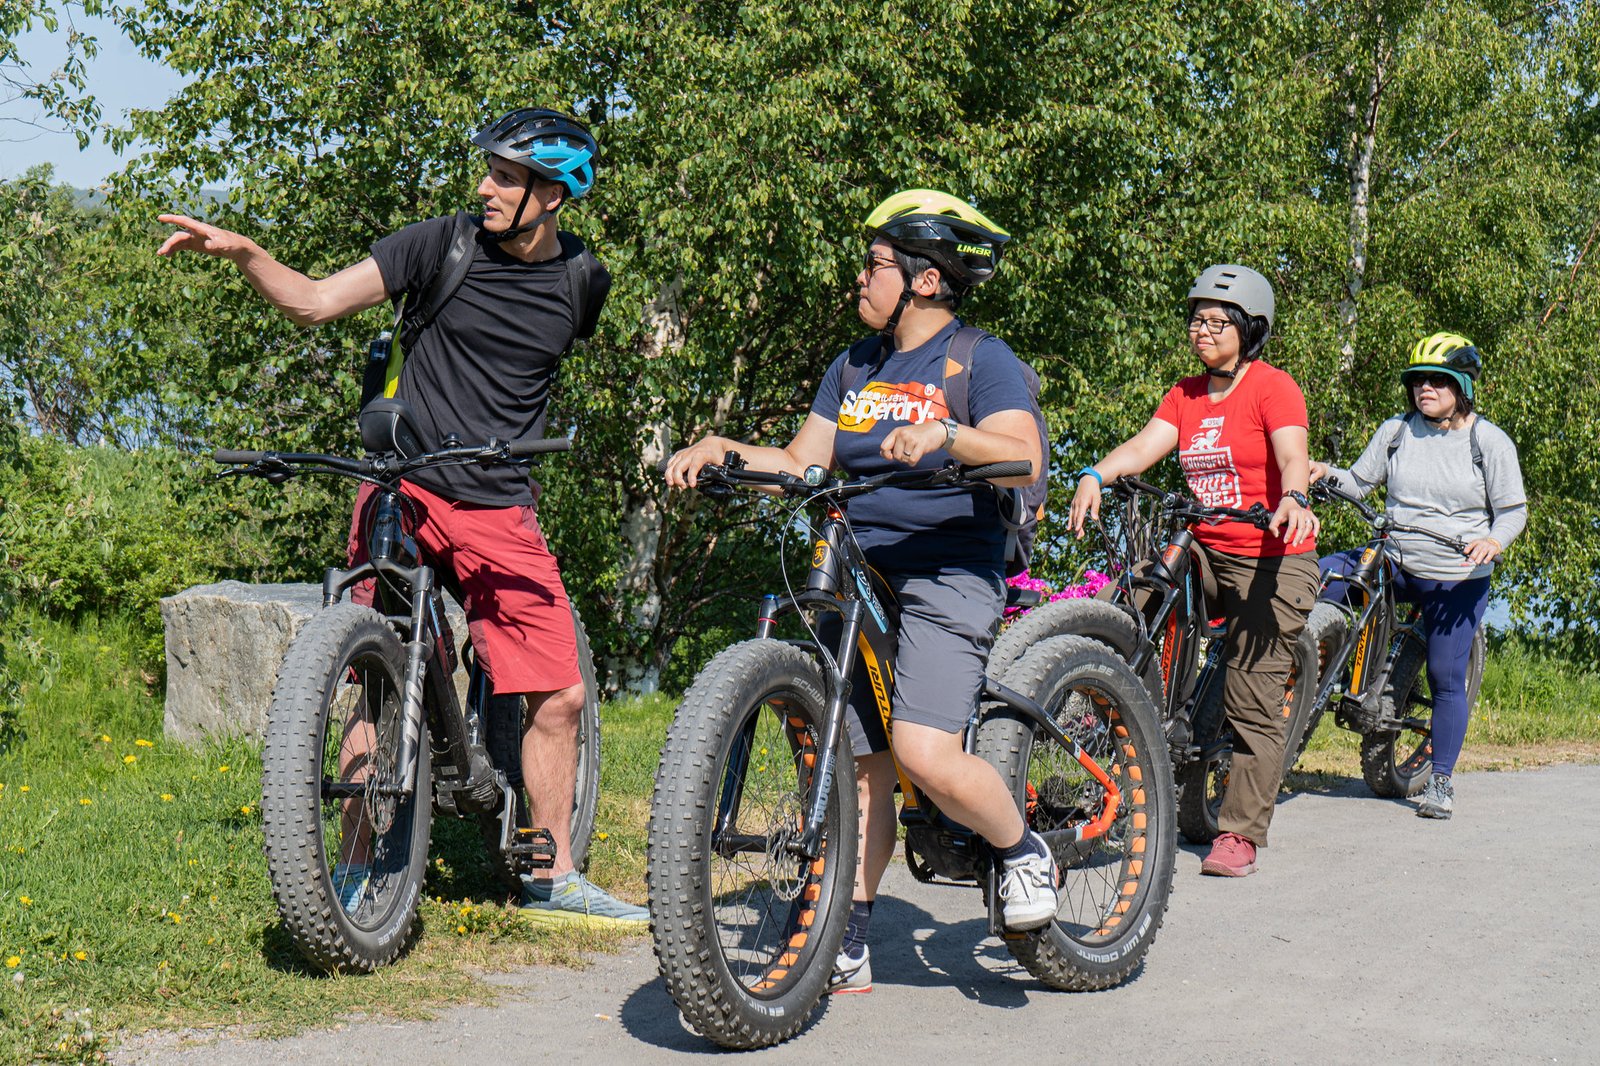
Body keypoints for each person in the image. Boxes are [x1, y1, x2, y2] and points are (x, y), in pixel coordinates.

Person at [156, 108, 646, 926]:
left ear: (554, 195)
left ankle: (554, 877)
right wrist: (246, 254)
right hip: (404, 485)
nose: (484, 188)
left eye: (505, 177)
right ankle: (348, 880)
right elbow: (314, 302)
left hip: (498, 503)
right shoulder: (440, 243)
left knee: (557, 695)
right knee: (370, 678)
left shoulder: (582, 282)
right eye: (486, 171)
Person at [664, 189, 1053, 994]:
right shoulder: (854, 364)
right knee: (861, 758)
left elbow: (1024, 459)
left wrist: (948, 435)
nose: (861, 280)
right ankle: (848, 934)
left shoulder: (980, 359)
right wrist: (724, 449)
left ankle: (1021, 849)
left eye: (877, 265)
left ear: (928, 280)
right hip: (859, 569)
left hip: (948, 568)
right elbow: (806, 464)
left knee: (921, 752)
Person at [1068, 264, 1319, 878]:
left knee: (1252, 692)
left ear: (1249, 329)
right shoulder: (1184, 394)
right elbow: (1142, 447)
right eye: (1196, 319)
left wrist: (1295, 497)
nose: (1200, 330)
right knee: (1146, 587)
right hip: (1205, 545)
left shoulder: (1273, 387)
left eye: (1215, 321)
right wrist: (1096, 474)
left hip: (1272, 553)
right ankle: (1113, 691)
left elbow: (1292, 453)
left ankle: (1239, 834)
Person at [1311, 332, 1526, 820]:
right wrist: (1325, 472)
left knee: (1445, 676)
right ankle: (1310, 670)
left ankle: (1442, 782)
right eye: (1417, 381)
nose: (1424, 388)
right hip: (1397, 558)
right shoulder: (1396, 431)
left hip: (1456, 576)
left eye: (1437, 380)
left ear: (1462, 388)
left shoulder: (1487, 442)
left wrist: (1493, 541)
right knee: (1321, 574)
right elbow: (1360, 483)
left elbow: (1513, 510)